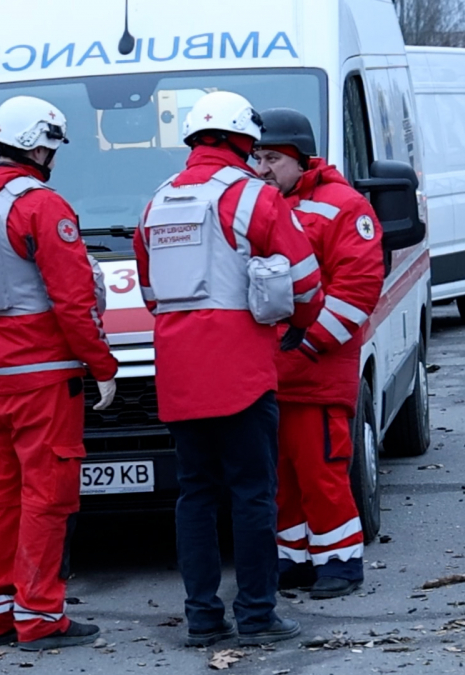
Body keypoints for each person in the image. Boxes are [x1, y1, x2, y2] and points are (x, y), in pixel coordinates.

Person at [133, 91, 324, 647]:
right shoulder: (254, 198)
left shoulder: (157, 201)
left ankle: (202, 617)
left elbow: (150, 293)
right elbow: (307, 283)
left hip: (177, 370)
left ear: (193, 138)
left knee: (194, 495)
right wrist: (293, 324)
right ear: (245, 139)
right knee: (252, 493)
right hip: (241, 370)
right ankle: (258, 614)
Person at [0, 96, 118, 651]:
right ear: (38, 145)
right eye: (51, 146)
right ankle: (40, 616)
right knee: (47, 497)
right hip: (42, 378)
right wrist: (103, 366)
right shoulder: (42, 207)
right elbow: (75, 302)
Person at [253, 108, 384, 599]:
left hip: (317, 372)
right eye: (257, 156)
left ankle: (340, 563)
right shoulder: (262, 204)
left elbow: (357, 290)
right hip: (273, 372)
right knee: (282, 479)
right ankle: (296, 561)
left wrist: (308, 345)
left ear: (300, 159)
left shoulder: (344, 206)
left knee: (321, 474)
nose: (262, 168)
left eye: (272, 158)